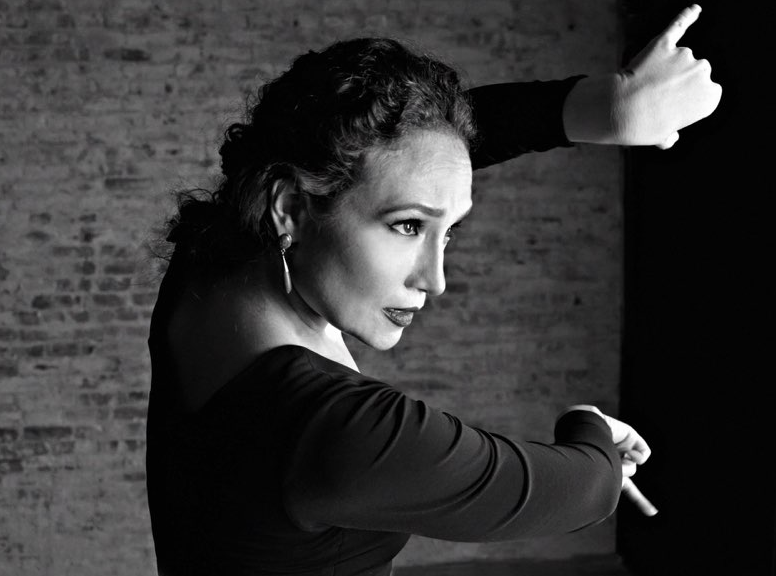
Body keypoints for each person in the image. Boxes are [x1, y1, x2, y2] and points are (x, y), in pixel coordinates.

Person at [145, 5, 720, 575]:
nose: (435, 280)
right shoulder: (340, 430)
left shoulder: (212, 262)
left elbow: (402, 151)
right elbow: (579, 489)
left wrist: (601, 106)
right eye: (408, 226)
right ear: (292, 206)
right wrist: (590, 428)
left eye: (449, 231)